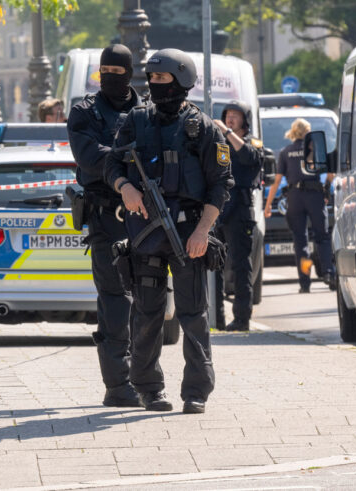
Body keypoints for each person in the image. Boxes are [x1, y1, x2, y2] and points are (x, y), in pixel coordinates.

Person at [104, 48, 233, 413]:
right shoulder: (135, 121)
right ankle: (148, 388)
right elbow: (112, 163)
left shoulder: (203, 128)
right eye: (152, 79)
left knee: (193, 314)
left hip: (188, 233)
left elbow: (221, 184)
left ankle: (196, 392)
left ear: (182, 80)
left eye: (162, 79)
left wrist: (202, 232)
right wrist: (124, 188)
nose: (154, 85)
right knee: (147, 314)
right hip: (146, 232)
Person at [67, 44, 142, 408]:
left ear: (130, 73)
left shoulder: (147, 111)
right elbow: (88, 157)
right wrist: (130, 158)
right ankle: (117, 384)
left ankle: (146, 379)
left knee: (148, 298)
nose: (111, 77)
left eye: (118, 71)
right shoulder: (84, 111)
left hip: (145, 215)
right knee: (114, 301)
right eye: (105, 71)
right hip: (105, 216)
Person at [264, 118, 335, 293]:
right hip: (314, 197)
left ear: (293, 133)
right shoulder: (315, 148)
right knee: (322, 237)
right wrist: (326, 190)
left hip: (295, 198)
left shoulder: (285, 152)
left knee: (300, 241)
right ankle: (328, 274)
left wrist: (267, 205)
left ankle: (304, 283)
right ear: (308, 132)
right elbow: (331, 173)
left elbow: (277, 180)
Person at [212, 101, 264, 331]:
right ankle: (216, 318)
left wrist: (227, 131)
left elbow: (249, 157)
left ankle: (242, 318)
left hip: (240, 210)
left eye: (235, 115)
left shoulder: (251, 143)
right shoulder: (219, 143)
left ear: (245, 119)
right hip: (218, 207)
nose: (230, 118)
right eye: (227, 115)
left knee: (241, 265)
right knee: (213, 264)